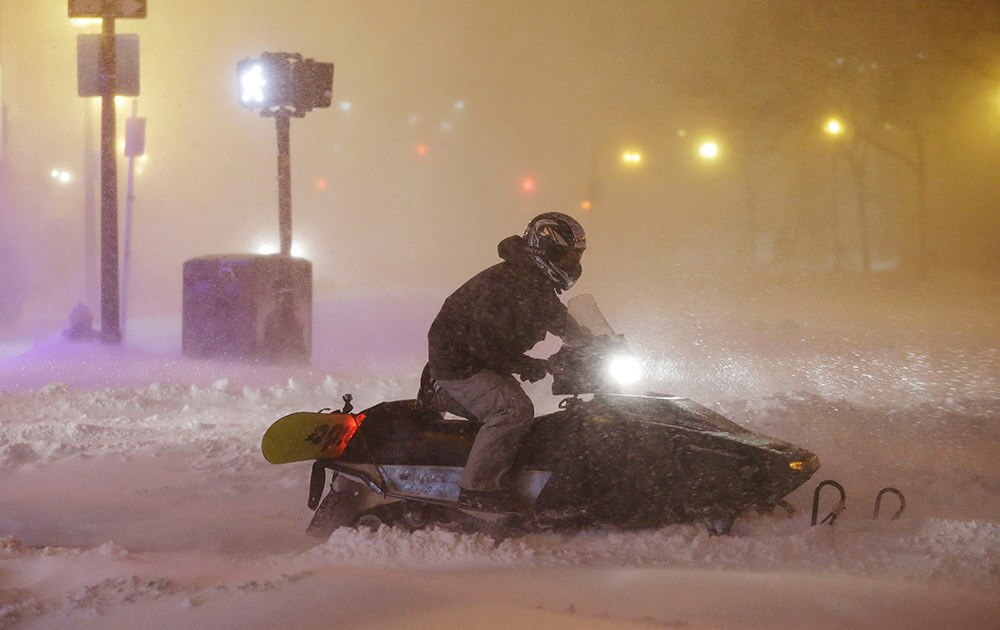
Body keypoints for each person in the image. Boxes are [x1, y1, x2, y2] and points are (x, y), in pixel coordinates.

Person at [426, 212, 588, 511]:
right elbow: (482, 343)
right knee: (513, 410)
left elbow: (561, 320)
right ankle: (477, 491)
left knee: (519, 412)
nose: (571, 265)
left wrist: (594, 342)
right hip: (460, 364)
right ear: (544, 251)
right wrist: (529, 365)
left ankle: (446, 397)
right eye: (564, 258)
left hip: (478, 358)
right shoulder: (507, 284)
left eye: (574, 258)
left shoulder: (532, 280)